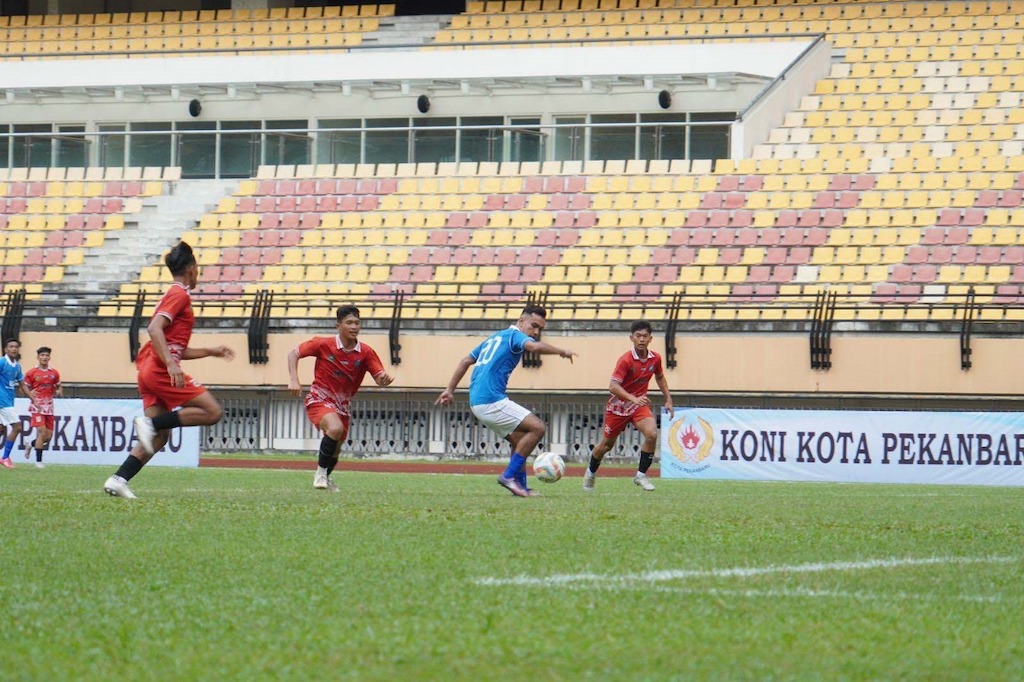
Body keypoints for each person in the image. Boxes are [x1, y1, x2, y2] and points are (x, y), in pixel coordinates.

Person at [103, 241, 234, 499]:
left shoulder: (174, 294)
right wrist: (171, 365)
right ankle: (148, 423)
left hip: (150, 369)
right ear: (192, 269)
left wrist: (210, 351)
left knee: (160, 435)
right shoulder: (180, 294)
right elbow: (154, 329)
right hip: (159, 370)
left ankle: (118, 479)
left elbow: (175, 348)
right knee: (212, 411)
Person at [435, 304, 577, 497]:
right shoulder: (515, 336)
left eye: (540, 329)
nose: (536, 332)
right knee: (538, 428)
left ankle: (520, 486)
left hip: (478, 401)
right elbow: (533, 347)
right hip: (490, 399)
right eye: (534, 326)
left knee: (519, 439)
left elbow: (465, 361)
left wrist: (449, 390)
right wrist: (562, 351)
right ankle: (508, 476)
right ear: (521, 321)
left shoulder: (495, 337)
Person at [287, 305, 394, 492]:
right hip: (319, 398)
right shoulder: (322, 344)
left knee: (336, 447)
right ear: (338, 326)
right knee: (335, 428)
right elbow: (293, 354)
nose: (354, 327)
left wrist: (383, 380)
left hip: (343, 405)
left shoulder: (366, 352)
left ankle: (326, 477)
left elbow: (379, 377)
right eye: (349, 323)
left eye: (357, 323)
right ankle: (320, 474)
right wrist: (294, 380)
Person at [583, 320, 673, 492]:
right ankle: (591, 472)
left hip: (638, 406)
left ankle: (641, 475)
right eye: (638, 336)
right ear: (631, 338)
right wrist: (633, 398)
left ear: (650, 338)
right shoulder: (625, 360)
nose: (641, 339)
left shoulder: (655, 358)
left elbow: (660, 377)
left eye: (645, 336)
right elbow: (613, 386)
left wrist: (668, 399)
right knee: (606, 445)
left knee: (652, 433)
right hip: (618, 408)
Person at [22, 346, 62, 468]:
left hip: (49, 407)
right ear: (38, 357)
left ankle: (30, 444)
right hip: (37, 406)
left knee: (48, 437)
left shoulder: (54, 373)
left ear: (49, 357)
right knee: (42, 432)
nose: (44, 357)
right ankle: (38, 462)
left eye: (46, 355)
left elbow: (58, 386)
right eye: (42, 355)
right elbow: (22, 388)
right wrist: (30, 393)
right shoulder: (32, 373)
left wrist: (59, 391)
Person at [1, 338, 36, 468]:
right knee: (17, 427)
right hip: (2, 402)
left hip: (8, 401)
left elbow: (22, 384)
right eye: (11, 346)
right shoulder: (2, 362)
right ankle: (5, 458)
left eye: (16, 347)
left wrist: (33, 399)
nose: (14, 349)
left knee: (1, 429)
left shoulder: (17, 366)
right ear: (6, 349)